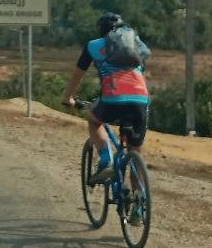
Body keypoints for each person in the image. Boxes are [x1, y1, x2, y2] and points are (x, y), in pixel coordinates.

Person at [60, 12, 149, 185]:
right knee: (135, 152)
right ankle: (139, 204)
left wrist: (68, 98)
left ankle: (105, 159)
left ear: (101, 30)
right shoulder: (135, 44)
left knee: (94, 119)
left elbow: (77, 76)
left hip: (113, 98)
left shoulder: (93, 45)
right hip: (140, 98)